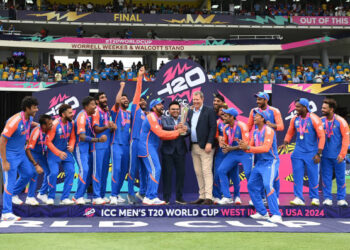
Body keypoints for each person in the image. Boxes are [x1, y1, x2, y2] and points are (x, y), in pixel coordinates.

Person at [138, 98, 186, 205]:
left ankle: (148, 196)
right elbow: (161, 134)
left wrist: (176, 131)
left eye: (162, 104)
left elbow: (163, 137)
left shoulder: (158, 118)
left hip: (151, 147)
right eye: (159, 105)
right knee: (156, 169)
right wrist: (178, 132)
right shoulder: (151, 117)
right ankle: (151, 196)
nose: (162, 106)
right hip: (146, 147)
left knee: (152, 171)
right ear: (153, 107)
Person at [239, 110, 282, 223]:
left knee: (268, 185)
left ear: (263, 118)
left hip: (270, 161)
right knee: (251, 185)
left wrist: (248, 147)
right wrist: (242, 146)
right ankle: (262, 213)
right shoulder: (255, 132)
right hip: (259, 163)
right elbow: (250, 148)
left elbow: (265, 148)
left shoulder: (269, 130)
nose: (254, 117)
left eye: (256, 116)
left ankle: (276, 214)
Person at [0, 96, 38, 221]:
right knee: (9, 183)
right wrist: (4, 161)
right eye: (34, 108)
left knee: (29, 173)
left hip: (21, 153)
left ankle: (14, 194)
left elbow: (30, 124)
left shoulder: (29, 117)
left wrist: (39, 125)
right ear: (27, 108)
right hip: (10, 155)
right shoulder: (14, 121)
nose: (36, 110)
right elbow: (2, 140)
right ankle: (6, 213)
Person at [281, 98, 325, 206]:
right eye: (295, 106)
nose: (295, 109)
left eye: (298, 107)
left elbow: (322, 136)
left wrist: (319, 153)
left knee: (313, 176)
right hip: (298, 152)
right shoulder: (295, 119)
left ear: (305, 107)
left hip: (312, 153)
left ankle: (315, 198)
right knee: (297, 176)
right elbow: (289, 132)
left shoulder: (314, 119)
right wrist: (285, 142)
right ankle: (299, 197)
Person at [247, 92, 284, 201]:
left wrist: (271, 125)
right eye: (257, 99)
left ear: (266, 100)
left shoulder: (274, 110)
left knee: (274, 174)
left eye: (260, 99)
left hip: (269, 144)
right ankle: (262, 197)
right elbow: (249, 127)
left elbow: (281, 126)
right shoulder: (253, 111)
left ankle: (275, 197)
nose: (257, 101)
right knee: (259, 171)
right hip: (258, 144)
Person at [73, 97, 107, 205]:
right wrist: (97, 140)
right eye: (92, 104)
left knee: (87, 171)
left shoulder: (88, 116)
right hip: (79, 147)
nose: (95, 107)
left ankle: (80, 195)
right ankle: (78, 196)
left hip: (86, 148)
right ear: (86, 106)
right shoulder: (82, 117)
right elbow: (82, 137)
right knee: (84, 170)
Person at [217, 108, 252, 205]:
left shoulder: (242, 126)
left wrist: (230, 148)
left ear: (232, 117)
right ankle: (227, 197)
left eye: (226, 116)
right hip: (233, 153)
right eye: (223, 115)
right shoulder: (225, 128)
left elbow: (245, 144)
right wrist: (224, 146)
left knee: (249, 174)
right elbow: (227, 143)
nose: (223, 117)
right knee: (221, 170)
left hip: (245, 153)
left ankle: (257, 198)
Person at [188, 91, 217, 205]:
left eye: (197, 99)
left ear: (202, 99)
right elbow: (189, 127)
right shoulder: (190, 112)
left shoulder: (209, 110)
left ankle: (209, 197)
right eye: (194, 100)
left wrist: (209, 142)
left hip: (206, 146)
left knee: (206, 171)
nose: (195, 102)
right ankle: (202, 196)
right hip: (194, 145)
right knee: (198, 172)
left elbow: (213, 127)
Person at [321, 98, 349, 206]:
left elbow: (346, 139)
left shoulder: (341, 121)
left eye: (324, 108)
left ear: (331, 109)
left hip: (338, 156)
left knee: (340, 177)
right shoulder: (320, 120)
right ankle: (327, 198)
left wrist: (342, 154)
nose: (322, 109)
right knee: (326, 178)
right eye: (322, 107)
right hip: (325, 155)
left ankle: (341, 199)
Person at [46, 104, 76, 205]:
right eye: (70, 113)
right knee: (54, 173)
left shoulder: (71, 123)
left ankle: (65, 197)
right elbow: (48, 142)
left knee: (71, 171)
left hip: (65, 151)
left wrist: (71, 146)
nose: (72, 114)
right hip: (54, 152)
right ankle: (50, 197)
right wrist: (58, 153)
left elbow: (72, 137)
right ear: (63, 114)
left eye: (72, 112)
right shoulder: (54, 125)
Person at [161, 101, 189, 204]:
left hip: (180, 151)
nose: (175, 111)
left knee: (180, 175)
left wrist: (186, 129)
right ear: (169, 111)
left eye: (177, 109)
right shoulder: (165, 119)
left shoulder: (183, 120)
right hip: (167, 151)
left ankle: (179, 197)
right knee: (167, 175)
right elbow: (164, 127)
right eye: (173, 109)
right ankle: (166, 198)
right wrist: (176, 128)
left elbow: (188, 130)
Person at [127, 67, 148, 204]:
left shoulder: (147, 114)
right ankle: (130, 193)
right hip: (134, 142)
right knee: (132, 169)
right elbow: (137, 92)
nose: (143, 101)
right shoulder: (135, 109)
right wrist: (140, 77)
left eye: (144, 100)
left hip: (144, 144)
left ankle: (142, 192)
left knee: (144, 170)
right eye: (140, 100)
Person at [92, 92, 116, 204]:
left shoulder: (106, 112)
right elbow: (96, 129)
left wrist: (111, 127)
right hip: (98, 146)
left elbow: (107, 129)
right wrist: (107, 126)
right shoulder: (97, 111)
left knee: (104, 172)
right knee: (97, 172)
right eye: (102, 97)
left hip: (106, 146)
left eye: (105, 97)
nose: (105, 99)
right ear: (97, 101)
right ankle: (96, 196)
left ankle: (101, 195)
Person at [110, 82, 131, 205]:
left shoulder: (129, 114)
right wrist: (122, 87)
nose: (125, 100)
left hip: (127, 146)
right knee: (116, 169)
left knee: (123, 171)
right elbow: (117, 101)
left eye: (127, 99)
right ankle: (113, 195)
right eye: (124, 98)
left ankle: (117, 194)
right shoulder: (116, 111)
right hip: (116, 144)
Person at [24, 114, 53, 205]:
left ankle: (42, 193)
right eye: (49, 124)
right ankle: (30, 197)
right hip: (32, 153)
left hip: (41, 153)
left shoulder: (49, 129)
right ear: (43, 126)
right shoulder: (36, 132)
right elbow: (27, 149)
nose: (52, 126)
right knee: (34, 173)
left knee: (49, 171)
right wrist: (35, 165)